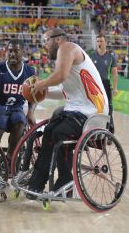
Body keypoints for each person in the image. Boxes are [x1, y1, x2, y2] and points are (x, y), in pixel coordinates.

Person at [26, 28, 109, 199]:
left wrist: (41, 84)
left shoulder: (68, 47)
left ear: (57, 40)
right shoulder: (66, 61)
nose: (44, 45)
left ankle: (65, 182)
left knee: (59, 133)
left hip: (93, 113)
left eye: (46, 41)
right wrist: (41, 92)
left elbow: (60, 76)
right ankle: (36, 183)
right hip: (76, 112)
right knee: (49, 131)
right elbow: (63, 91)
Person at [0, 39, 36, 164]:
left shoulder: (30, 72)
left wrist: (31, 112)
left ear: (23, 52)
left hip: (17, 107)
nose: (12, 54)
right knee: (0, 121)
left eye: (16, 51)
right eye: (10, 51)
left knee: (20, 122)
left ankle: (9, 159)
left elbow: (34, 95)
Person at [90, 35, 118, 134]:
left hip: (106, 84)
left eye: (101, 41)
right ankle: (93, 130)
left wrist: (115, 88)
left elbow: (114, 74)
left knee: (109, 108)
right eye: (97, 41)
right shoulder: (92, 56)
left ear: (105, 43)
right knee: (94, 107)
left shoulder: (111, 57)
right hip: (94, 85)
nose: (99, 43)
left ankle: (110, 131)